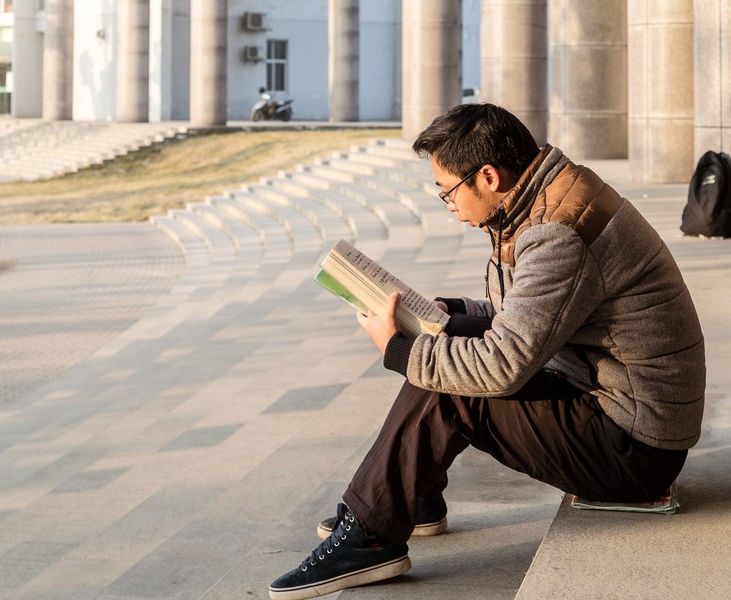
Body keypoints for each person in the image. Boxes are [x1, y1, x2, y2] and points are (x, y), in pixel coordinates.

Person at [268, 103, 706, 600]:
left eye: (448, 191)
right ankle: (411, 498)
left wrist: (396, 348)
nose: (448, 204)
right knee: (444, 341)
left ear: (489, 176)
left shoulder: (556, 234)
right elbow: (531, 310)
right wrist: (447, 311)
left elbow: (501, 367)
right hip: (610, 398)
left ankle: (370, 538)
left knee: (452, 386)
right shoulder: (550, 196)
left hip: (634, 450)